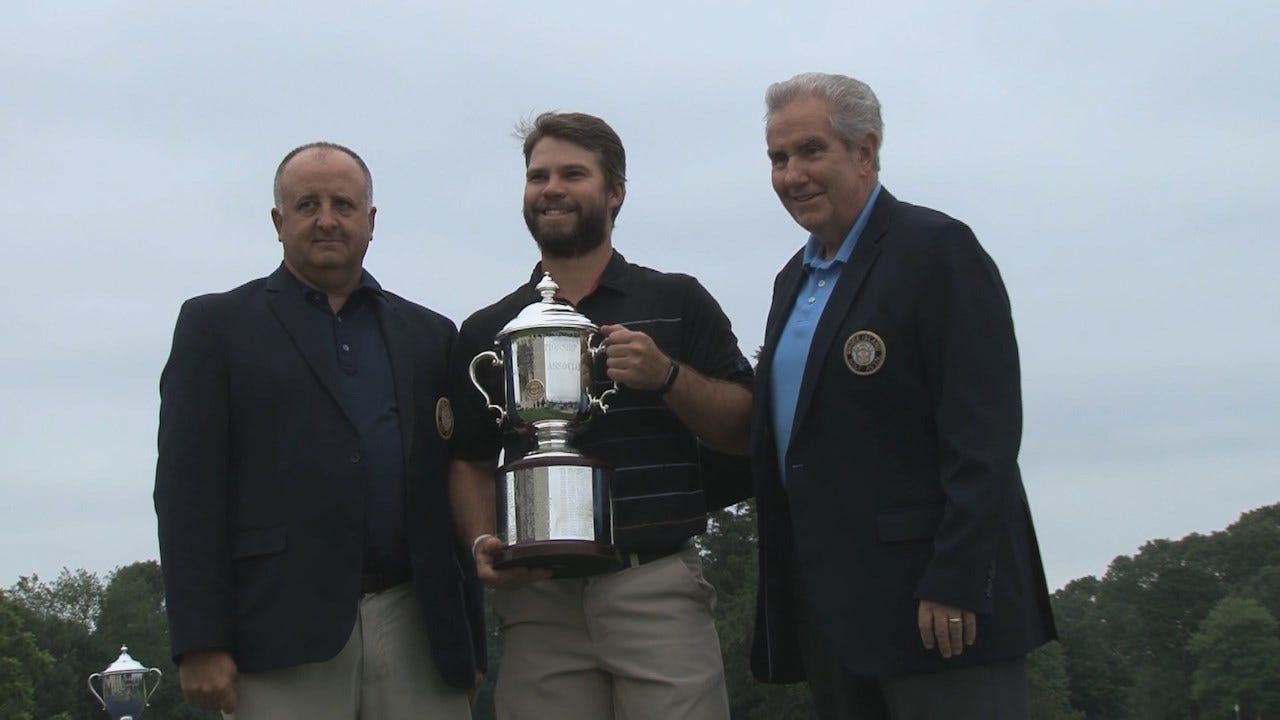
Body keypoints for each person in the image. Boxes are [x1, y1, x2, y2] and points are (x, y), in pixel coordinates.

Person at [749, 73, 1058, 718]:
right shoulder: (791, 282)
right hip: (836, 617)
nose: (791, 174)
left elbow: (985, 435)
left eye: (810, 151)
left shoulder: (937, 251)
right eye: (778, 158)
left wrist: (956, 579)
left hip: (938, 614)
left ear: (865, 151)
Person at [154, 142, 483, 719]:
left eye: (343, 204)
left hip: (418, 628)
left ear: (371, 221)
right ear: (279, 222)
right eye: (307, 204)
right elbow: (187, 495)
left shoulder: (431, 335)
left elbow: (451, 491)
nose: (327, 219)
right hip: (278, 634)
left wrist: (472, 645)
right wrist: (200, 641)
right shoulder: (217, 327)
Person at [449, 111, 753, 719]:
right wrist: (484, 539)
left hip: (657, 590)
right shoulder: (491, 330)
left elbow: (743, 429)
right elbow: (472, 462)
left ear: (614, 192)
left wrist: (666, 375)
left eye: (572, 174)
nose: (551, 189)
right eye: (538, 177)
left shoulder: (678, 300)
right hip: (537, 602)